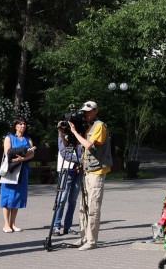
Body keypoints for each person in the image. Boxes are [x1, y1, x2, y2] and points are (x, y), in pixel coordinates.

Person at [68, 100, 111, 251]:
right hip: (87, 171)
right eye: (84, 112)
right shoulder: (88, 127)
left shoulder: (99, 126)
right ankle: (84, 238)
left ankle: (92, 241)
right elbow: (77, 145)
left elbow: (88, 145)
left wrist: (74, 132)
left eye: (88, 111)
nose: (86, 114)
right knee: (83, 207)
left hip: (97, 172)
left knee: (93, 207)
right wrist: (64, 132)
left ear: (95, 111)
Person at [0, 118, 34, 233]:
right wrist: (21, 153)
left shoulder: (28, 139)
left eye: (24, 124)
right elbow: (7, 153)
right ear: (15, 126)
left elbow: (32, 153)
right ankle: (6, 224)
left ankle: (12, 223)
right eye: (20, 124)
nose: (23, 126)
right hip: (11, 169)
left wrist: (23, 158)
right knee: (8, 196)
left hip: (23, 170)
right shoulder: (9, 137)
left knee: (18, 196)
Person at [51, 124, 83, 236]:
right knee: (61, 199)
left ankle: (68, 226)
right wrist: (79, 161)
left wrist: (80, 163)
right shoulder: (63, 135)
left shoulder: (78, 135)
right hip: (65, 170)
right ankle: (56, 226)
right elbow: (64, 152)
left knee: (73, 200)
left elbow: (81, 151)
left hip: (77, 172)